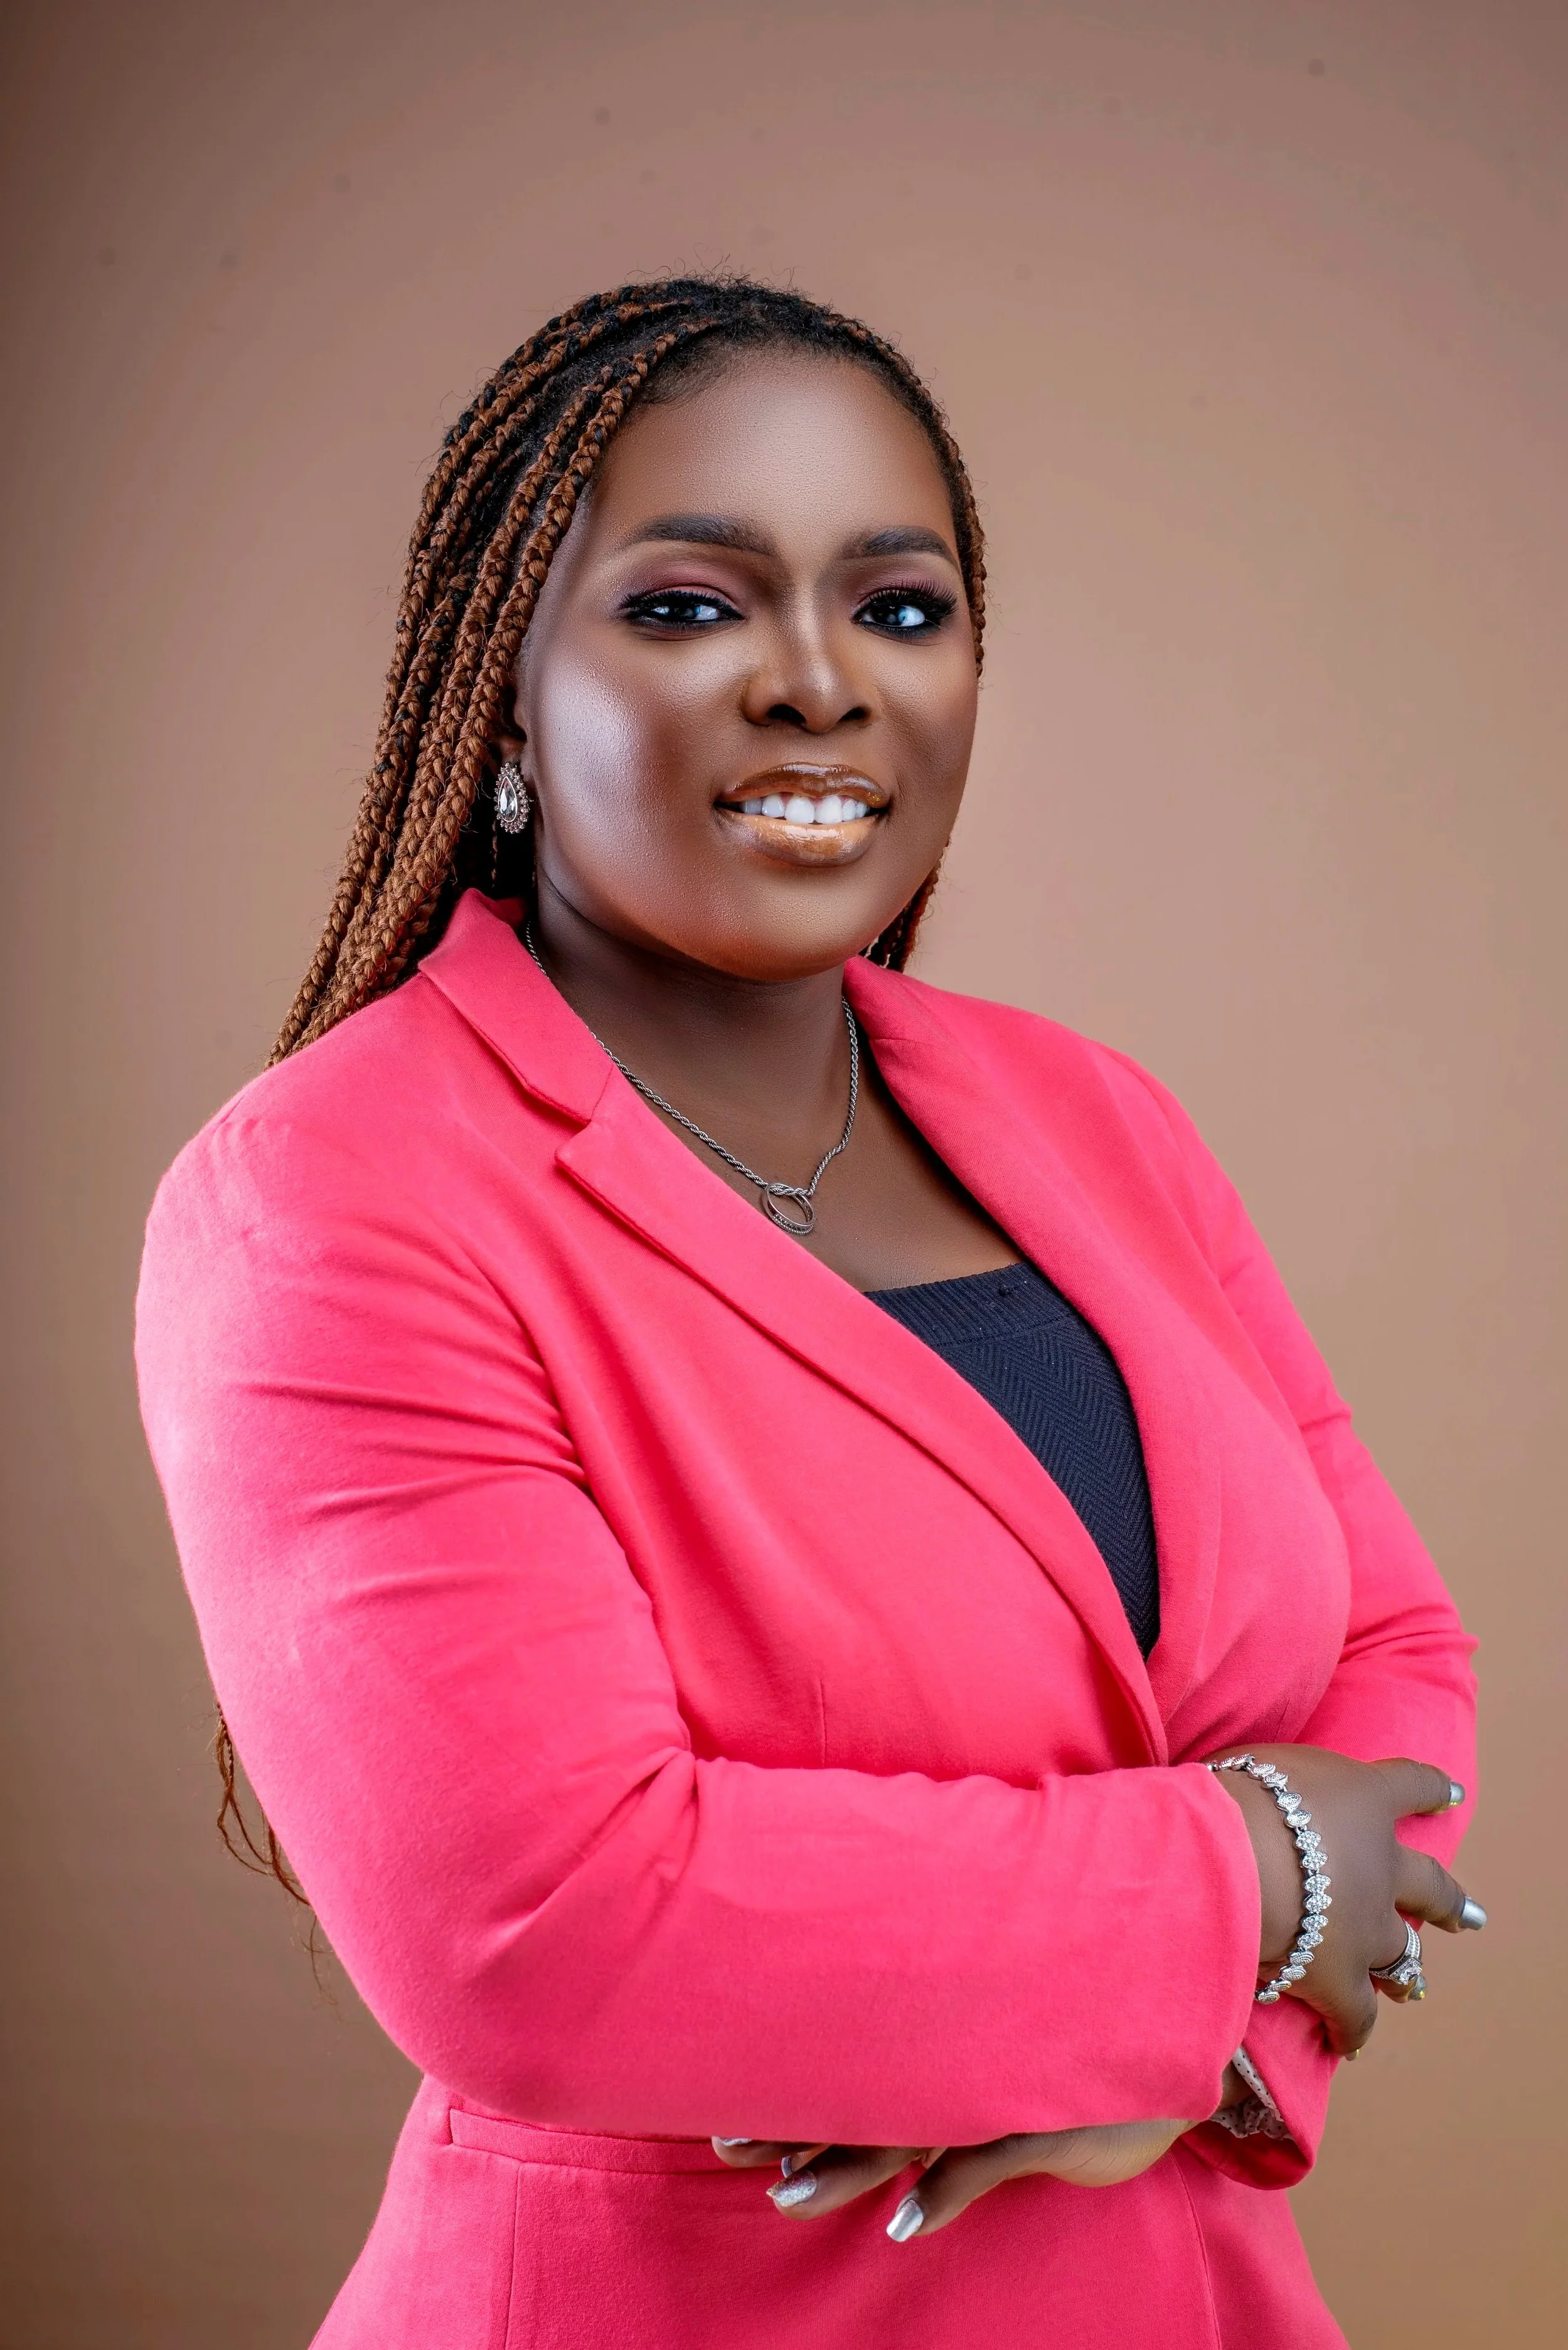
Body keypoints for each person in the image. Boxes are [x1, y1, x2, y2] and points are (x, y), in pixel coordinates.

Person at [136, 278, 1482, 2350]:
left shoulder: (1093, 1119)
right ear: (505, 694)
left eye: (900, 608)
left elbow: (1393, 1658)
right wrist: (1255, 1883)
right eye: (689, 607)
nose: (820, 685)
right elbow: (551, 1927)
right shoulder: (334, 1192)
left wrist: (1200, 2054)